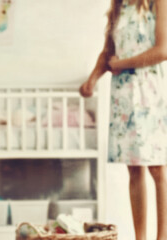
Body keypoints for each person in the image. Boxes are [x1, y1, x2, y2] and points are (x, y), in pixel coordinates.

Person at [80, 0, 167, 239]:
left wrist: (122, 64)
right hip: (124, 98)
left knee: (158, 168)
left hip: (149, 93)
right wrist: (92, 80)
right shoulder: (118, 7)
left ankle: (162, 236)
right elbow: (108, 53)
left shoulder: (157, 3)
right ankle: (140, 237)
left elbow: (163, 50)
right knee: (134, 169)